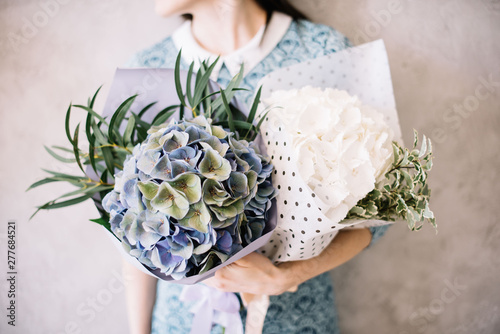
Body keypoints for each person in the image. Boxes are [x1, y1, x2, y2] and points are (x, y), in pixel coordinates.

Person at [124, 1, 391, 333]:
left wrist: (288, 276)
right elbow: (133, 232)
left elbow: (380, 211)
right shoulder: (149, 69)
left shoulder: (321, 50)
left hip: (297, 321)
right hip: (182, 323)